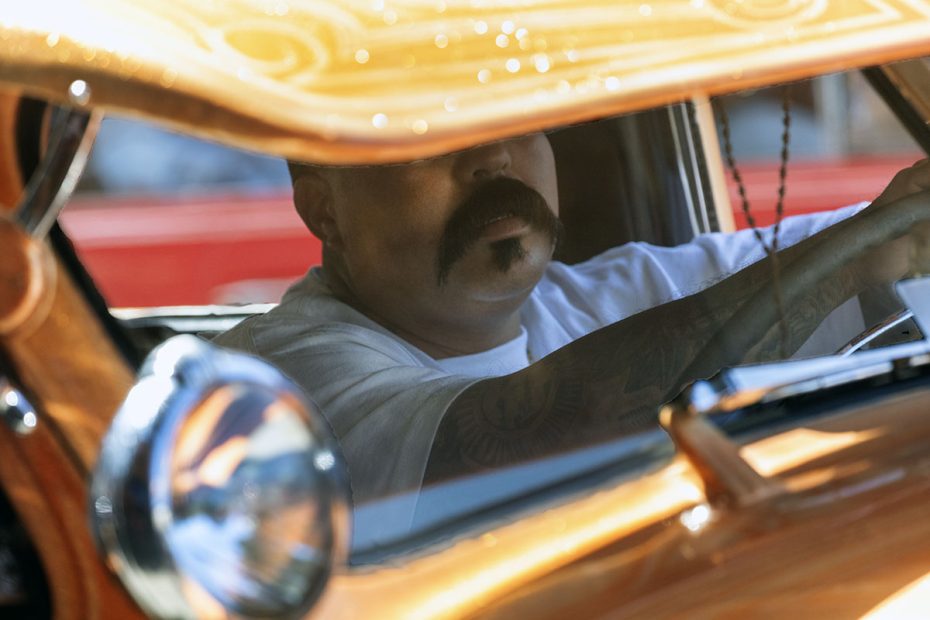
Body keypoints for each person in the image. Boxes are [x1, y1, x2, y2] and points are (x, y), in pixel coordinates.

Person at [216, 132, 930, 503]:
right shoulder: (277, 385)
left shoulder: (598, 296)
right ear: (324, 210)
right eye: (428, 139)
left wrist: (886, 237)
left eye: (517, 122)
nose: (493, 155)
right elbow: (511, 440)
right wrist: (853, 261)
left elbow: (842, 247)